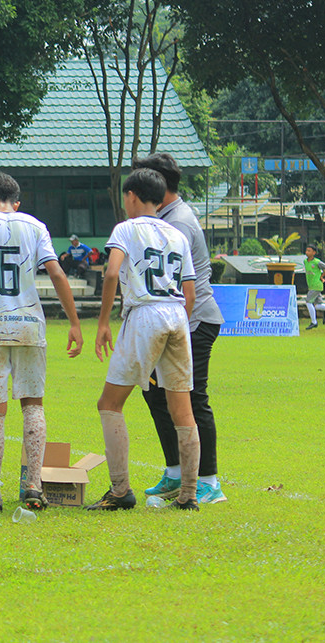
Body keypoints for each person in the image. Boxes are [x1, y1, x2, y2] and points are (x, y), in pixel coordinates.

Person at [0, 171, 83, 513]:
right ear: (16, 202)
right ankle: (34, 485)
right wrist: (73, 322)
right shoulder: (35, 225)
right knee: (33, 405)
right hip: (29, 324)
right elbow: (56, 272)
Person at [89, 168, 201, 512]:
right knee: (182, 410)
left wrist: (104, 321)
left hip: (145, 314)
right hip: (177, 314)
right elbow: (190, 291)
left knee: (109, 404)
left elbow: (111, 272)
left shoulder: (126, 228)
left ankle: (121, 490)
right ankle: (189, 494)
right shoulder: (176, 234)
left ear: (132, 196)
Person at [133, 153, 227, 504]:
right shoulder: (162, 217)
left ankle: (208, 481)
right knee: (155, 393)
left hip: (195, 321)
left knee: (191, 398)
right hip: (173, 323)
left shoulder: (179, 222)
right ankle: (175, 473)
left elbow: (177, 286)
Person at [303, 244, 325, 330]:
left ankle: (314, 322)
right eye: (306, 250)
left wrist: (322, 276)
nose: (307, 252)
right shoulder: (305, 261)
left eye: (309, 251)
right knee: (318, 305)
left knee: (308, 302)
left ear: (314, 252)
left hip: (316, 285)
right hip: (311, 286)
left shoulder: (317, 262)